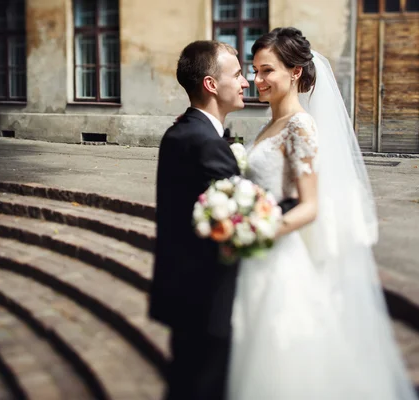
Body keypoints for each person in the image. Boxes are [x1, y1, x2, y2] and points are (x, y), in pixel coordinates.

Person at [226, 27, 419, 400]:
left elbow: (310, 207)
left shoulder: (301, 125)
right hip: (257, 259)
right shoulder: (268, 125)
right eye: (254, 70)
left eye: (267, 70)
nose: (256, 79)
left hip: (280, 258)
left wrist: (252, 230)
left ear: (294, 72)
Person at [149, 40, 249, 400]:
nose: (246, 82)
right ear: (211, 84)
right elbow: (239, 216)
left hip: (183, 296)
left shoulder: (184, 131)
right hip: (207, 302)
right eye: (237, 74)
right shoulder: (204, 142)